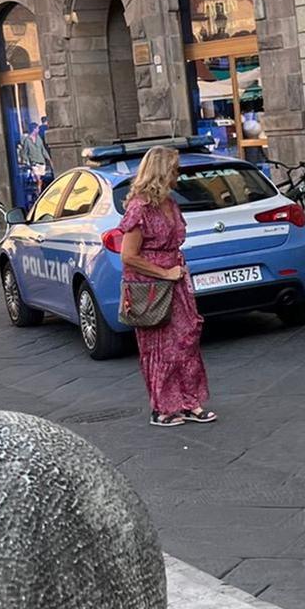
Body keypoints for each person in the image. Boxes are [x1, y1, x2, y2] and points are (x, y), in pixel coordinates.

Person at [119, 146, 215, 428]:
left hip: (176, 279)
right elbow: (128, 256)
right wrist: (164, 273)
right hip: (151, 286)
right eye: (174, 169)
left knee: (187, 337)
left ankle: (190, 401)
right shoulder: (139, 208)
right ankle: (163, 407)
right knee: (159, 346)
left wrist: (175, 273)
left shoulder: (169, 202)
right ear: (161, 172)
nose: (178, 174)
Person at [18, 122, 51, 194]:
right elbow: (25, 153)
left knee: (41, 180)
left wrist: (48, 158)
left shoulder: (39, 139)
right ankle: (39, 193)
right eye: (37, 128)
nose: (38, 130)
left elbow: (43, 149)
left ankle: (39, 192)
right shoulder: (27, 140)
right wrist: (28, 162)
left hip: (41, 162)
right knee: (38, 179)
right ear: (34, 129)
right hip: (34, 163)